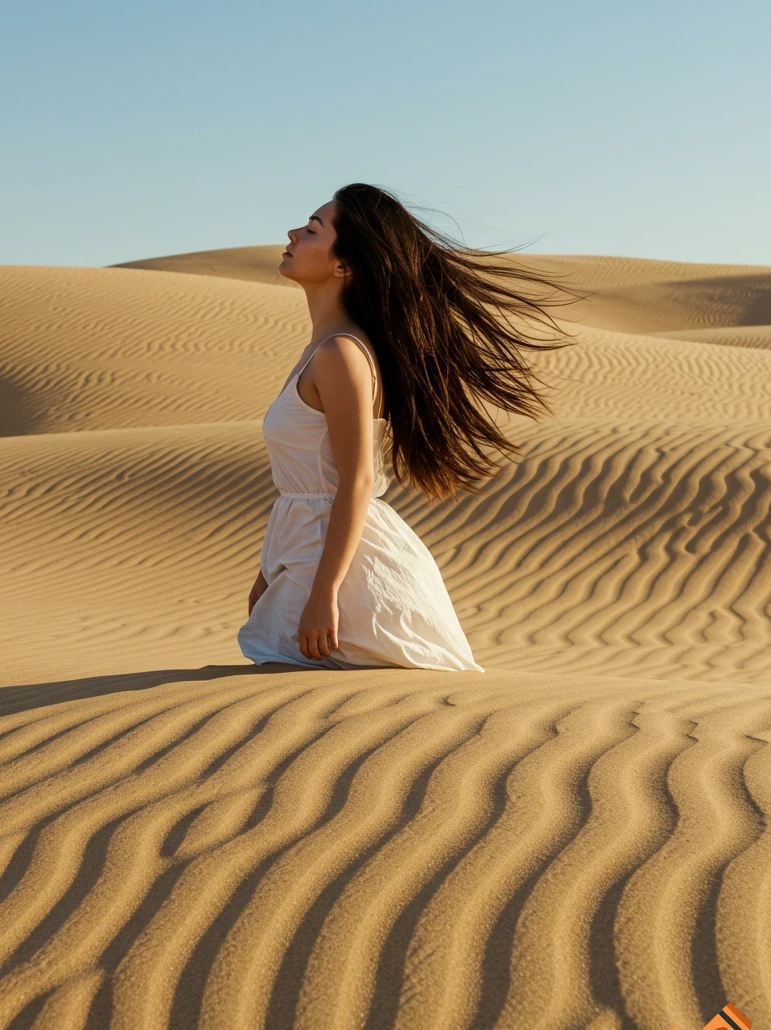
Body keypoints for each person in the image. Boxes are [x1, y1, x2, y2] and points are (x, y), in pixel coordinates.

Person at [236, 183, 582, 671]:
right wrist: (266, 573)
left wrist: (324, 593)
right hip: (305, 558)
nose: (293, 233)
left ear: (344, 266)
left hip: (341, 579)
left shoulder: (341, 355)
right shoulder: (323, 349)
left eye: (312, 229)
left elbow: (354, 482)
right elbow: (306, 486)